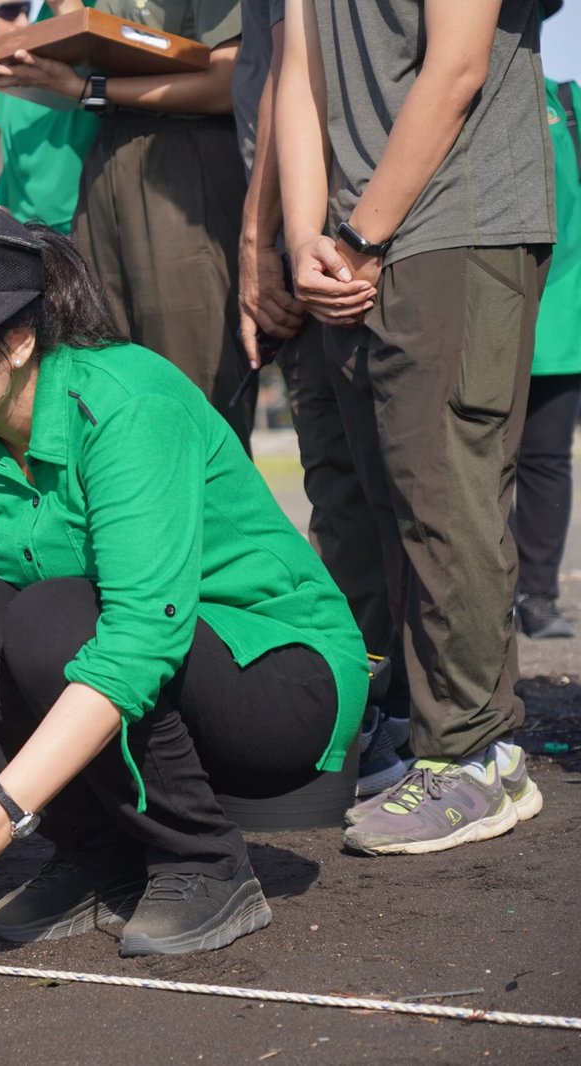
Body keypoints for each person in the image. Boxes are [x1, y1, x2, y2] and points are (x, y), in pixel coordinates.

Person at [0, 200, 367, 957]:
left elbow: (139, 638)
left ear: (18, 340)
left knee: (56, 617)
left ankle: (203, 860)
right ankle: (100, 856)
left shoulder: (127, 403)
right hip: (133, 667)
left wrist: (2, 809)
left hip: (283, 685)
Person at [278, 0, 552, 854]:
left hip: (454, 223)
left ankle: (478, 755)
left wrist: (357, 235)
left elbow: (459, 63)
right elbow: (299, 74)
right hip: (353, 237)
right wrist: (302, 239)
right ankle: (413, 738)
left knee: (446, 495)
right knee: (379, 506)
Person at [231, 0, 407, 796]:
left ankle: (413, 715)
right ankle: (375, 701)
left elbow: (285, 79)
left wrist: (260, 241)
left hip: (346, 232)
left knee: (385, 491)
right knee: (342, 493)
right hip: (316, 234)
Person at [0, 0, 256, 449]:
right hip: (109, 154)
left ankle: (206, 516)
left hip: (183, 153)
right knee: (102, 371)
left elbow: (228, 81)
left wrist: (91, 87)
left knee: (193, 382)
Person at [513, 74, 581, 640]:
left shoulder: (567, 102)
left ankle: (536, 593)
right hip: (482, 303)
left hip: (559, 309)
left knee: (545, 457)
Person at [0, 1, 100, 233]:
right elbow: (13, 146)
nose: (19, 20)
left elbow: (96, 63)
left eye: (22, 10)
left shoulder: (102, 13)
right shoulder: (34, 27)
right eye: (10, 12)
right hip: (24, 234)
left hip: (82, 228)